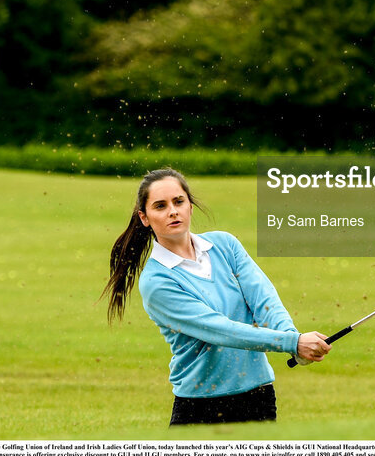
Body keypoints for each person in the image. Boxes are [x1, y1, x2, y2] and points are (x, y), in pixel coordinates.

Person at [103, 167, 331, 425]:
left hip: (260, 397)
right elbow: (221, 330)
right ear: (145, 218)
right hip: (201, 408)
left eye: (179, 201)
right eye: (160, 206)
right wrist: (291, 342)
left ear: (190, 206)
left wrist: (293, 339)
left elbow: (264, 300)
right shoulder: (157, 282)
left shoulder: (225, 245)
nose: (172, 211)